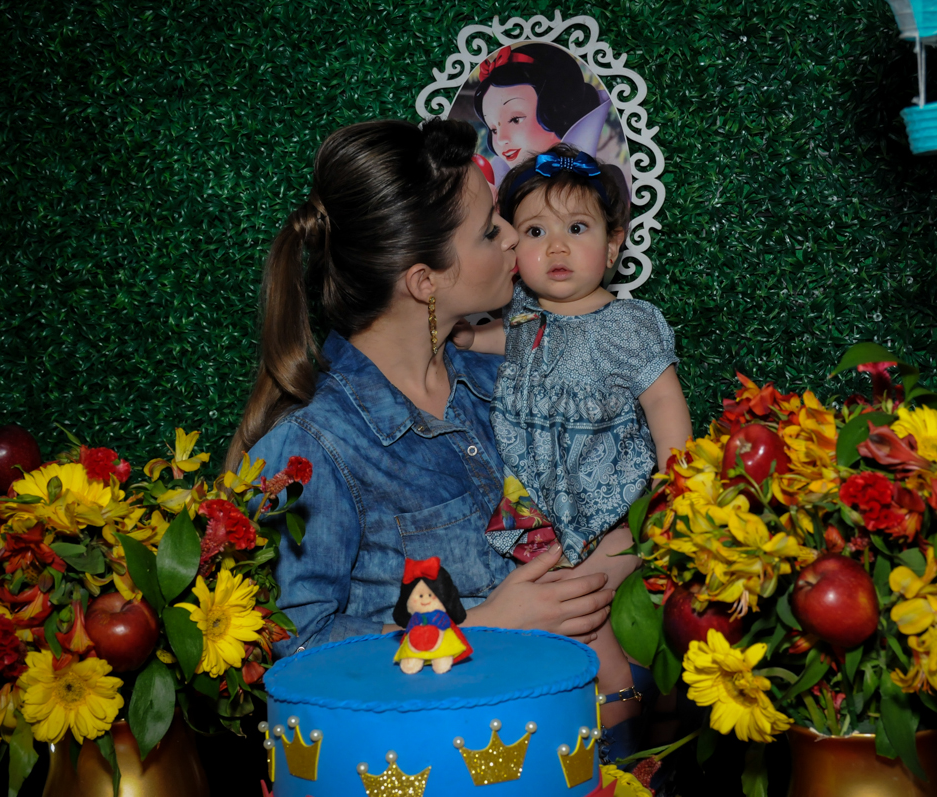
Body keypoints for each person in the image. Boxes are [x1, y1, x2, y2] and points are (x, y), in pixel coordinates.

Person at [225, 119, 623, 664]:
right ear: (424, 282)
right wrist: (485, 627)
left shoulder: (507, 378)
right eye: (488, 232)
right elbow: (292, 646)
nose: (512, 234)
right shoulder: (312, 446)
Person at [454, 144, 694, 749]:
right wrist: (464, 337)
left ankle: (622, 707)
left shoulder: (629, 323)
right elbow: (498, 343)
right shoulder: (520, 318)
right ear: (514, 248)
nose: (556, 248)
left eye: (577, 229)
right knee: (565, 600)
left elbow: (664, 403)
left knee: (589, 593)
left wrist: (676, 484)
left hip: (613, 498)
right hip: (539, 499)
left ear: (613, 246)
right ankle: (620, 701)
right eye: (536, 232)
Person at [473, 43, 613, 189]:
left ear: (556, 109)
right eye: (494, 129)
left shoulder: (601, 178)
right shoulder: (500, 186)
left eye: (515, 120)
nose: (501, 139)